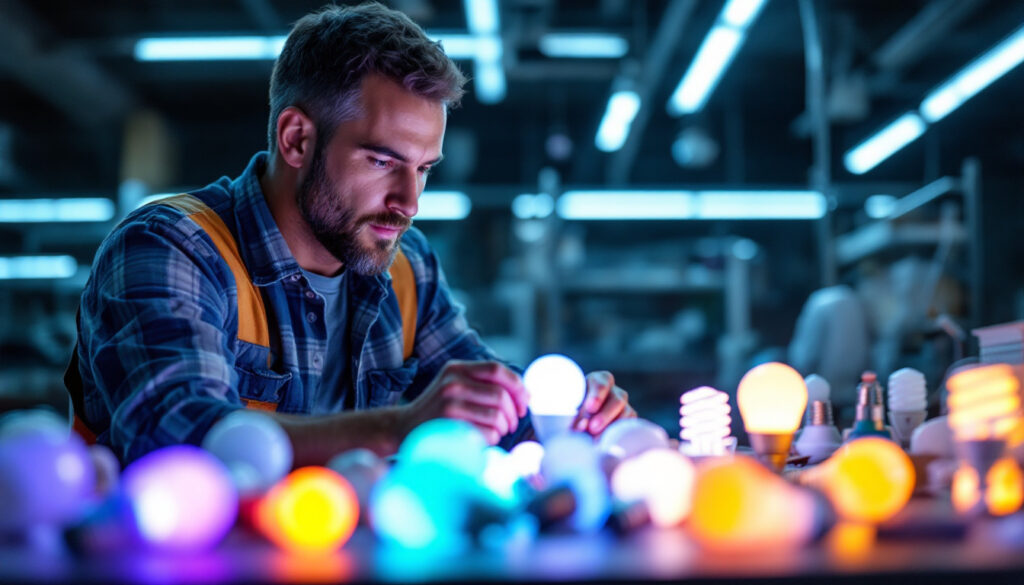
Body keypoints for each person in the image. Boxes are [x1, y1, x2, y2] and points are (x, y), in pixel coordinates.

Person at [67, 2, 634, 465]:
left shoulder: (407, 265)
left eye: (424, 169)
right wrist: (400, 427)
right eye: (383, 162)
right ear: (296, 140)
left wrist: (575, 416)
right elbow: (180, 439)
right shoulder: (172, 248)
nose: (410, 203)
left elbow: (491, 408)